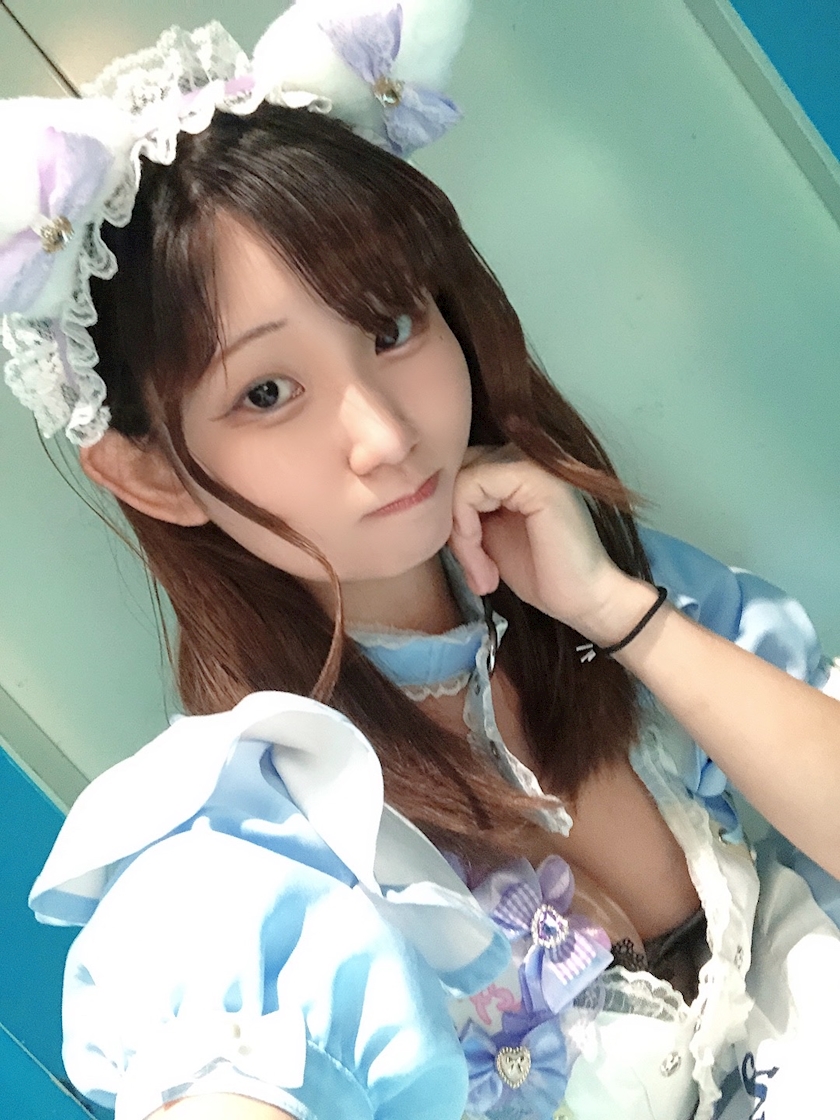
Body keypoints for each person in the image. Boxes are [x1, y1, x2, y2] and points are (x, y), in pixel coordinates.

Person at [3, 2, 840, 1119]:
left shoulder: (589, 587)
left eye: (392, 327)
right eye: (268, 392)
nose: (386, 434)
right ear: (152, 473)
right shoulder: (250, 849)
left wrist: (620, 613)